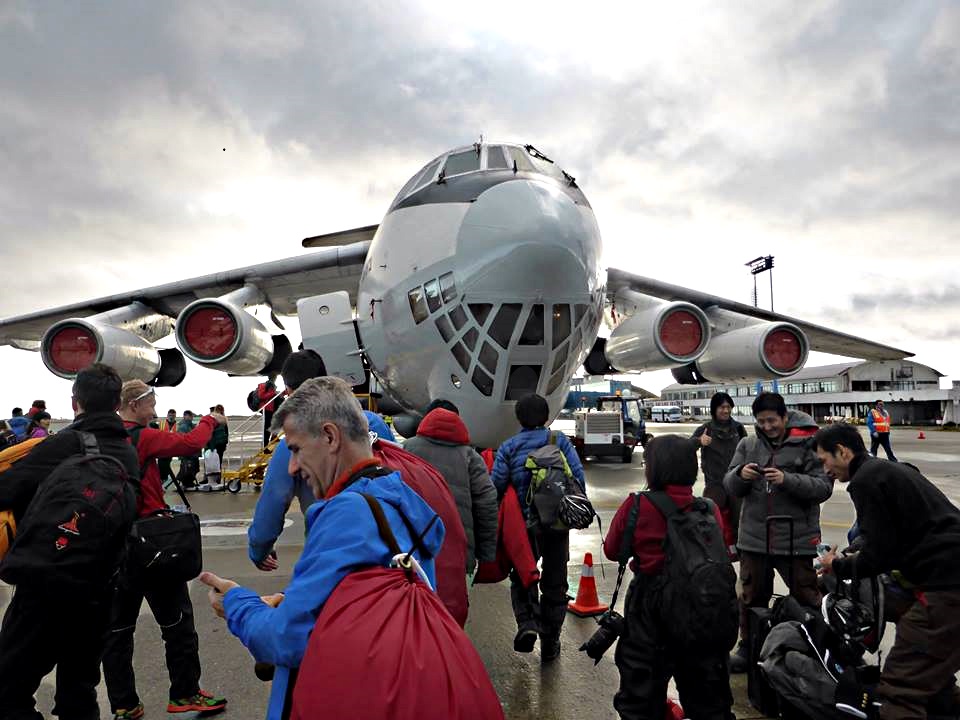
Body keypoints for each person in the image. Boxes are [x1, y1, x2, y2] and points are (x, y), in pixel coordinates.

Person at [199, 376, 445, 720]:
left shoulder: (347, 514)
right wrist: (296, 600)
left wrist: (238, 604)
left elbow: (288, 639)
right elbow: (365, 606)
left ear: (330, 436)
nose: (292, 466)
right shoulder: (401, 498)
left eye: (296, 449)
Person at [0, 364, 140, 720]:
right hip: (98, 587)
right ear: (115, 403)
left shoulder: (66, 443)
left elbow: (7, 489)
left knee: (8, 688)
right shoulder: (127, 453)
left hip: (46, 584)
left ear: (75, 401)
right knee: (78, 691)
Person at [816, 424, 960, 720]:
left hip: (946, 585)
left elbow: (880, 556)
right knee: (934, 677)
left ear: (842, 451)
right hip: (949, 577)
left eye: (823, 461)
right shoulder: (888, 470)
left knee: (900, 686)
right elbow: (886, 537)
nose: (824, 469)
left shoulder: (865, 480)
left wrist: (838, 565)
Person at [102, 381, 228, 718]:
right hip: (151, 545)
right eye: (152, 401)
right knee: (177, 625)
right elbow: (191, 444)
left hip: (113, 546)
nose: (155, 407)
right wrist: (210, 421)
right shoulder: (142, 436)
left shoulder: (102, 438)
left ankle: (124, 703)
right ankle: (185, 694)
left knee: (117, 631)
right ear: (135, 404)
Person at [604, 435, 735, 720]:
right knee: (707, 695)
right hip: (701, 604)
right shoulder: (708, 509)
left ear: (655, 468)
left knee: (642, 692)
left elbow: (613, 551)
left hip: (649, 605)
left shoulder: (637, 505)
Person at [723, 391, 832, 673]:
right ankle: (749, 648)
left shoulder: (809, 444)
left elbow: (823, 488)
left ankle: (819, 649)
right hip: (755, 539)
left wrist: (787, 480)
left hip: (795, 538)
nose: (767, 426)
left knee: (807, 596)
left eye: (772, 420)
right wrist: (739, 476)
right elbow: (729, 484)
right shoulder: (748, 444)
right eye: (761, 421)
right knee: (750, 596)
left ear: (785, 416)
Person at [491, 392, 586, 661]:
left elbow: (495, 485)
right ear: (546, 416)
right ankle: (551, 640)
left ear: (519, 418)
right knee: (555, 583)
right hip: (557, 525)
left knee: (523, 576)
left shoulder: (509, 447)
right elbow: (577, 477)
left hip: (525, 528)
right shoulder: (559, 441)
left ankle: (527, 624)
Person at [404, 405, 498, 574]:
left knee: (415, 597)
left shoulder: (406, 450)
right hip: (458, 551)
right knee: (454, 598)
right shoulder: (471, 457)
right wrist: (485, 554)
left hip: (413, 548)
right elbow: (487, 504)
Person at [690, 392, 747, 555]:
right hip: (714, 484)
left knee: (740, 521)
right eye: (722, 407)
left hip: (736, 482)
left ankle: (741, 554)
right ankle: (712, 555)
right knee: (709, 520)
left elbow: (747, 450)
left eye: (728, 407)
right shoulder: (705, 429)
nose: (726, 410)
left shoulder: (738, 428)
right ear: (714, 409)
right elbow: (686, 447)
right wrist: (698, 441)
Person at [176, 409, 200, 487]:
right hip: (187, 452)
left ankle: (189, 481)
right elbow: (182, 440)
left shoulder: (192, 426)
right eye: (189, 416)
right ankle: (186, 482)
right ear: (185, 416)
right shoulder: (183, 426)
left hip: (193, 452)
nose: (191, 418)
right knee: (187, 468)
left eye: (192, 416)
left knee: (194, 467)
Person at [157, 408, 178, 484]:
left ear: (175, 415)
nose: (171, 416)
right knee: (161, 463)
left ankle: (163, 478)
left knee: (167, 463)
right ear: (167, 415)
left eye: (173, 415)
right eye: (170, 414)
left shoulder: (177, 425)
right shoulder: (161, 423)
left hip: (171, 448)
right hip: (161, 447)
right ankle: (162, 478)